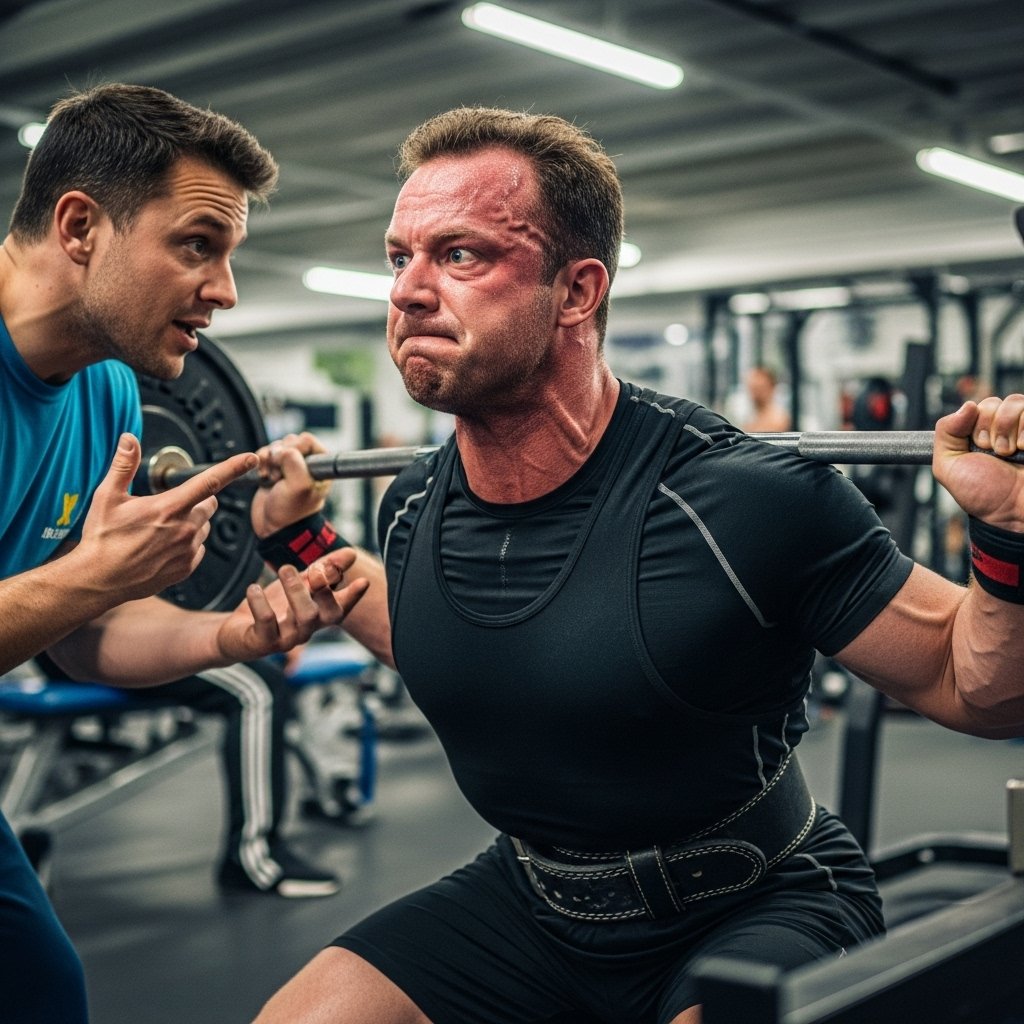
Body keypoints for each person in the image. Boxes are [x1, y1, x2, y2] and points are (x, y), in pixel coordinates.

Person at [251, 107, 1024, 1024]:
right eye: (398, 258)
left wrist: (1009, 534)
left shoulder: (741, 498)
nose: (410, 291)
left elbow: (974, 690)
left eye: (459, 256)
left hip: (753, 903)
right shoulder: (412, 504)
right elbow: (437, 635)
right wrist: (299, 541)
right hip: (530, 907)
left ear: (577, 292)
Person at [0, 83, 368, 1024]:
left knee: (42, 992)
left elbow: (86, 630)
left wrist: (224, 637)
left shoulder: (110, 391)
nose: (226, 290)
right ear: (79, 226)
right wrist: (94, 573)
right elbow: (84, 586)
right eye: (197, 245)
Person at [741, 364, 791, 433]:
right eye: (753, 388)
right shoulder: (749, 417)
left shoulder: (778, 419)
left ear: (771, 387)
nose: (755, 394)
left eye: (760, 388)